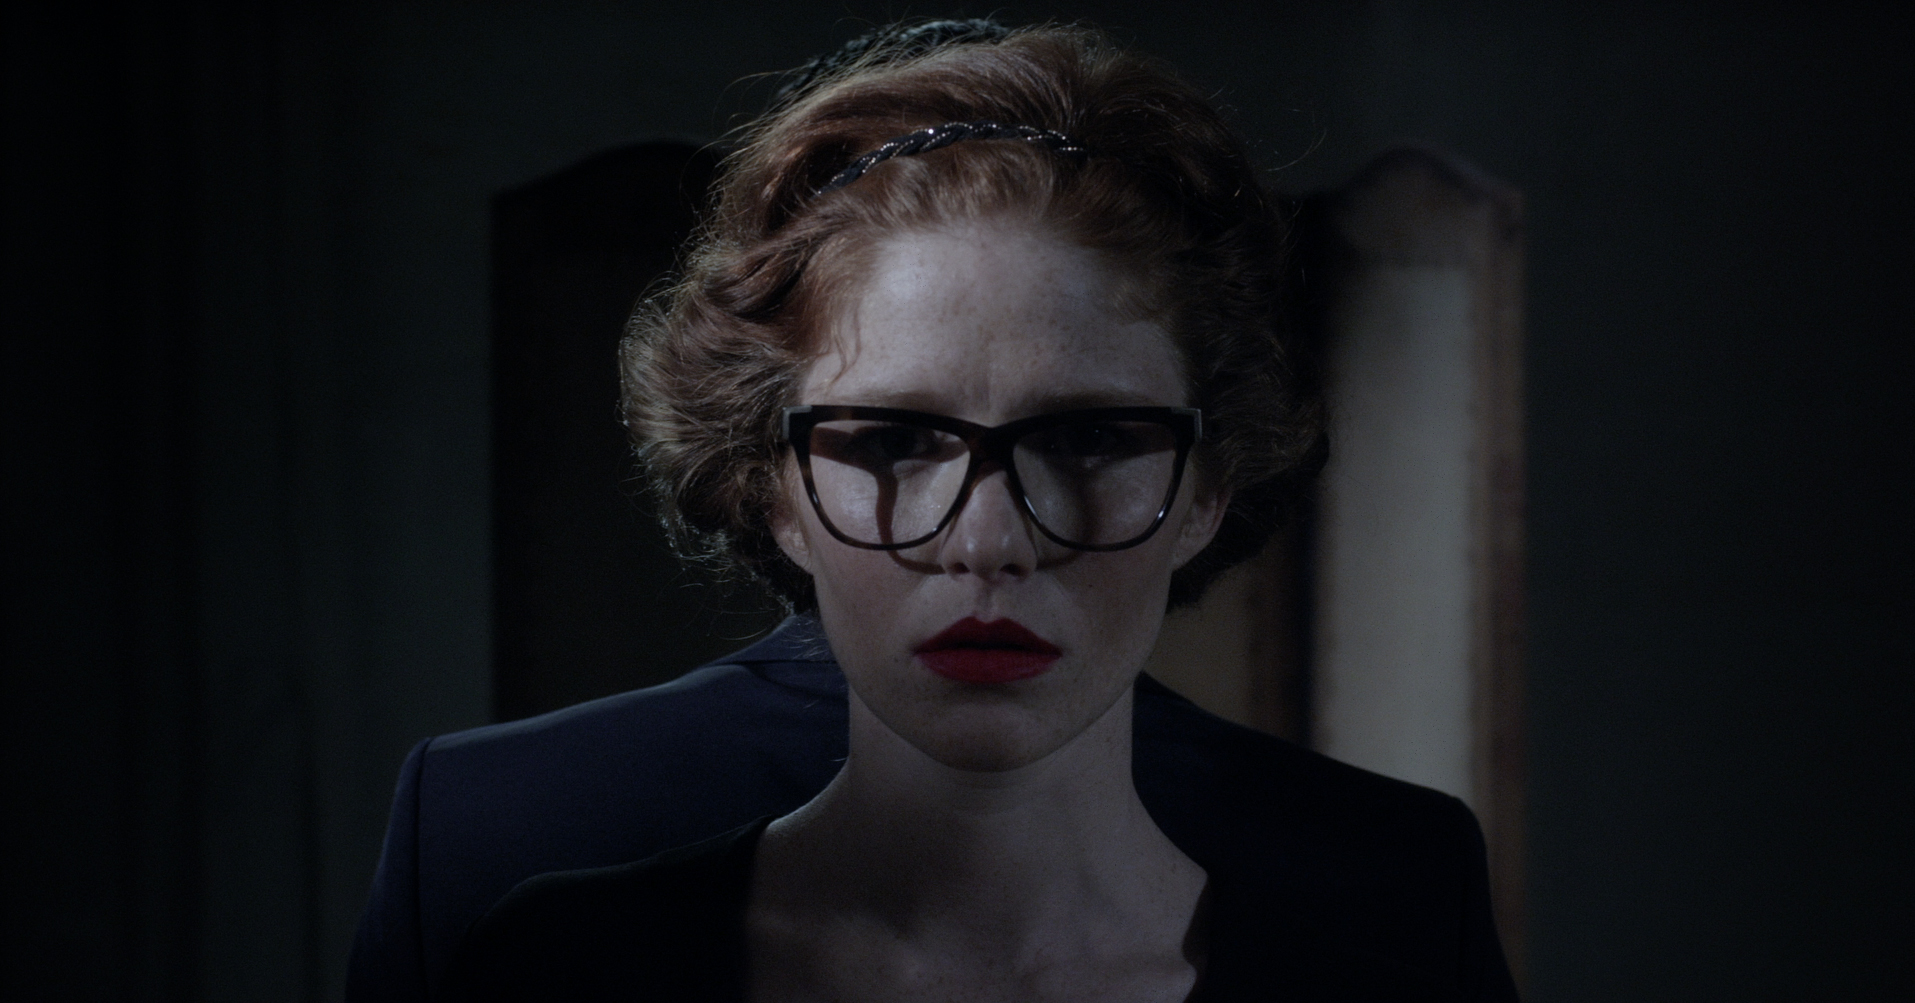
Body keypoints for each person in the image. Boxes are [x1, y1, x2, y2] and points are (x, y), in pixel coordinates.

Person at [348, 21, 1517, 1003]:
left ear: (1207, 491)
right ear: (774, 490)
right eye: (893, 441)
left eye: (1089, 437)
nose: (988, 542)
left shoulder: (1384, 961)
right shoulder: (546, 964)